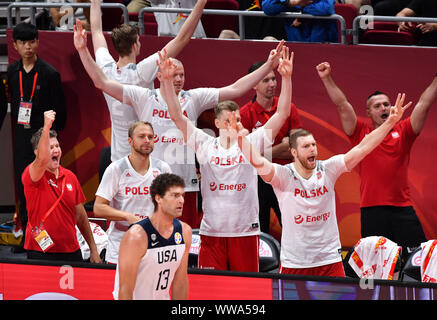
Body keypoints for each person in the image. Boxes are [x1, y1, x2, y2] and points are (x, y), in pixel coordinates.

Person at [74, 20, 286, 228]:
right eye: (174, 74)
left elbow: (236, 89)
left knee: (187, 244)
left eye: (182, 75)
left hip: (186, 185)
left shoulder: (193, 98)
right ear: (160, 75)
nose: (178, 79)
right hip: (156, 185)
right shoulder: (144, 96)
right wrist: (83, 50)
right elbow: (101, 82)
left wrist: (268, 65)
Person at [228, 92, 412, 277]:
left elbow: (362, 148)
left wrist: (389, 123)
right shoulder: (283, 175)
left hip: (329, 261)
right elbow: (258, 162)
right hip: (295, 262)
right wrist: (241, 140)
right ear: (294, 152)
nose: (312, 150)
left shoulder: (328, 169)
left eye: (313, 145)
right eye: (306, 147)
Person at [157, 47, 293, 272]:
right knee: (212, 291)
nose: (236, 124)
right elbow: (176, 116)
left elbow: (282, 114)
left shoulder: (252, 142)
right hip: (213, 233)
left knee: (247, 292)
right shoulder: (204, 144)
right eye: (229, 120)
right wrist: (167, 82)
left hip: (245, 232)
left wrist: (286, 78)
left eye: (238, 119)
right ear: (218, 124)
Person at [316, 61, 437, 252]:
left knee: (417, 259)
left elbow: (424, 103)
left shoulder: (404, 130)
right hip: (372, 210)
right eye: (378, 106)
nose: (384, 109)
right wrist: (326, 78)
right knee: (376, 263)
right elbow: (341, 105)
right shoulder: (359, 132)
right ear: (368, 112)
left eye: (386, 105)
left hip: (402, 208)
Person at [90, 0, 207, 164]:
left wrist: (95, 2)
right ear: (135, 45)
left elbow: (96, 31)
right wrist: (201, 3)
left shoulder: (105, 70)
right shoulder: (142, 73)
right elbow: (182, 39)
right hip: (144, 157)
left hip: (118, 159)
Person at [7, 22, 66, 253]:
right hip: (21, 137)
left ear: (38, 43)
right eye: (23, 42)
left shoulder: (50, 74)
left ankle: (48, 238)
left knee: (45, 188)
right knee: (25, 187)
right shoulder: (13, 72)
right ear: (15, 45)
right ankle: (27, 239)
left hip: (43, 138)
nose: (28, 46)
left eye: (32, 41)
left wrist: (51, 140)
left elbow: (60, 112)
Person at [22, 110, 101, 263]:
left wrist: (93, 248)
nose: (56, 150)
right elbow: (43, 159)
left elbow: (81, 217)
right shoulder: (32, 174)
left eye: (57, 145)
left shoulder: (70, 176)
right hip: (40, 251)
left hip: (71, 250)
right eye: (50, 147)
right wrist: (46, 127)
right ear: (37, 152)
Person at [93, 121, 171, 264]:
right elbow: (98, 207)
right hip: (121, 244)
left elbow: (170, 206)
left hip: (152, 244)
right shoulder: (117, 169)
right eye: (141, 136)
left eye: (150, 137)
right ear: (130, 141)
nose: (147, 140)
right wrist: (127, 216)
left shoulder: (162, 168)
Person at [240, 60, 302, 234]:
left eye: (274, 79)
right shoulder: (245, 114)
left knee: (293, 227)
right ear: (254, 84)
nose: (273, 84)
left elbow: (296, 149)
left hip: (285, 175)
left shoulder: (288, 108)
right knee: (260, 230)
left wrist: (260, 153)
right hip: (256, 180)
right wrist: (280, 148)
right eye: (266, 80)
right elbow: (245, 156)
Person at [113, 173, 192, 300]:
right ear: (158, 198)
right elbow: (125, 289)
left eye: (182, 195)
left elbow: (180, 282)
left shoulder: (184, 231)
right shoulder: (136, 236)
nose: (181, 200)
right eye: (175, 196)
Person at [261, 0, 338, 43]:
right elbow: (267, 7)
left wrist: (302, 11)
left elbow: (327, 8)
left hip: (323, 42)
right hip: (295, 42)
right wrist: (290, 3)